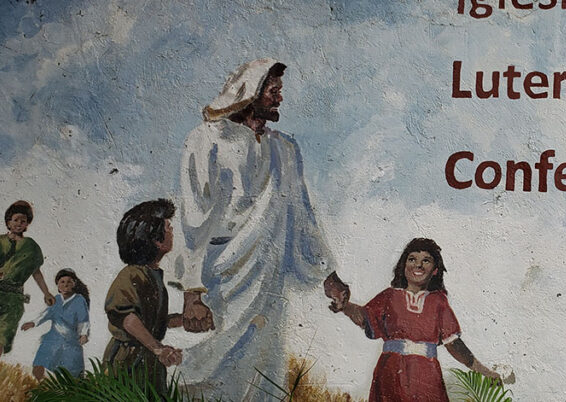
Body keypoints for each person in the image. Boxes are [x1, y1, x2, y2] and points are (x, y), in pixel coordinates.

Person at [168, 58, 342, 400]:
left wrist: (328, 275)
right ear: (250, 91)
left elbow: (302, 216)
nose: (279, 99)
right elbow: (194, 215)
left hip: (268, 275)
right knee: (211, 359)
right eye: (273, 91)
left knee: (263, 365)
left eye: (280, 91)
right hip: (221, 275)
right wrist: (192, 292)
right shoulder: (206, 140)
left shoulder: (285, 149)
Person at [332, 238, 511, 401]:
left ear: (434, 270)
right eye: (412, 259)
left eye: (426, 260)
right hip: (390, 373)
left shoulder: (438, 301)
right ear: (404, 266)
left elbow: (454, 344)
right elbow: (365, 318)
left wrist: (485, 371)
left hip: (427, 376)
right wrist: (345, 306)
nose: (418, 265)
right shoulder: (389, 296)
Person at [103, 199, 184, 395]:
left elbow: (154, 321)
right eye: (168, 227)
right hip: (129, 360)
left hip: (148, 359)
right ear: (155, 238)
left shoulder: (153, 275)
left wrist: (184, 321)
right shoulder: (132, 274)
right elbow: (128, 319)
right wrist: (158, 349)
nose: (172, 231)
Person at [0, 201, 55, 373]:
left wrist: (46, 292)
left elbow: (36, 272)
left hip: (13, 300)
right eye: (16, 220)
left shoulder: (31, 247)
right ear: (8, 222)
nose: (19, 224)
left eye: (23, 221)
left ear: (27, 224)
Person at [20, 268, 91, 379]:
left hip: (71, 342)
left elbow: (84, 319)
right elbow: (46, 314)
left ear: (74, 284)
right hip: (53, 339)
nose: (65, 284)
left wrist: (84, 334)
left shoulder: (79, 300)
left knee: (71, 373)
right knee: (39, 366)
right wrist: (33, 323)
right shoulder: (56, 299)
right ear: (57, 285)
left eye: (69, 282)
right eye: (62, 282)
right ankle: (42, 387)